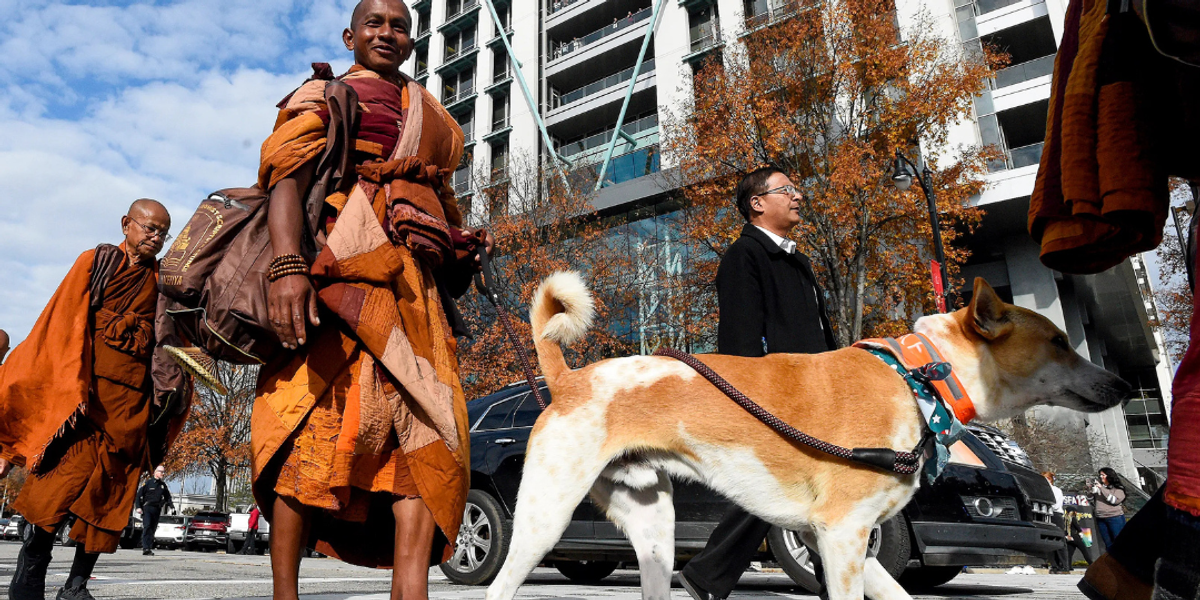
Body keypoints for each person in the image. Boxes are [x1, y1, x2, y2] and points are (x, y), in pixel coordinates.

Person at [250, 2, 488, 600]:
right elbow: (287, 179)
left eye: (399, 25)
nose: (387, 32)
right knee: (308, 430)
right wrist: (287, 267)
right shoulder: (321, 93)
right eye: (374, 23)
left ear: (412, 40)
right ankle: (285, 594)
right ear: (349, 35)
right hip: (336, 274)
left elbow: (439, 200)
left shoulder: (432, 115)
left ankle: (413, 593)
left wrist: (458, 246)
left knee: (430, 429)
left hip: (415, 295)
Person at [0, 199, 180, 600]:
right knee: (58, 485)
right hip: (84, 399)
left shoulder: (163, 280)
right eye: (150, 228)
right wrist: (60, 383)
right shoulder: (96, 261)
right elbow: (62, 319)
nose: (156, 237)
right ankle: (31, 566)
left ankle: (76, 585)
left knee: (109, 495)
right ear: (126, 225)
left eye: (163, 233)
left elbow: (172, 338)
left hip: (131, 406)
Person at [678, 165, 836, 600]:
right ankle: (838, 582)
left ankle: (709, 575)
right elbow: (740, 340)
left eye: (796, 188)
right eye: (787, 189)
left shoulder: (796, 258)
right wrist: (753, 400)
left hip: (815, 391)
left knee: (806, 489)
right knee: (795, 487)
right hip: (779, 395)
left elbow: (818, 333)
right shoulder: (744, 256)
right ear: (758, 203)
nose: (798, 196)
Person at [135, 465, 174, 556]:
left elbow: (168, 497)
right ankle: (145, 548)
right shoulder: (148, 483)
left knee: (153, 528)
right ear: (155, 472)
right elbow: (138, 495)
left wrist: (172, 507)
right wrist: (138, 507)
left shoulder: (162, 486)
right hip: (147, 508)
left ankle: (149, 546)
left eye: (164, 472)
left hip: (157, 509)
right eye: (161, 472)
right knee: (147, 526)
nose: (163, 474)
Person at [1091, 467, 1127, 550]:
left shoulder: (1118, 488)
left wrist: (1101, 488)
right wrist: (1090, 492)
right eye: (1100, 475)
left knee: (1119, 541)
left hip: (1115, 517)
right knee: (1108, 544)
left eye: (1103, 475)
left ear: (1109, 476)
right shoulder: (1099, 488)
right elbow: (1090, 500)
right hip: (1101, 518)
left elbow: (1114, 501)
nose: (1101, 477)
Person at [1045, 472, 1071, 573]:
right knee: (1049, 540)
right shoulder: (1040, 490)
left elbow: (1056, 505)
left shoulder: (1056, 490)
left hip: (1055, 515)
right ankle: (1054, 565)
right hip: (1045, 515)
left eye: (1047, 478)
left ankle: (1064, 566)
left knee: (1060, 540)